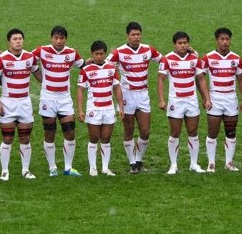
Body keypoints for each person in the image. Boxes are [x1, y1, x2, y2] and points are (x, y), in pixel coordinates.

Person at [107, 21, 161, 174]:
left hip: (143, 94)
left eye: (138, 34)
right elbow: (104, 64)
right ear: (128, 36)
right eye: (133, 35)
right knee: (129, 129)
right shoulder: (119, 52)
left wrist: (190, 53)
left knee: (145, 131)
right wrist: (110, 66)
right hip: (127, 95)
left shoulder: (148, 50)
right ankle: (132, 163)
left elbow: (165, 60)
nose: (136, 37)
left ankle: (138, 159)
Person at [33, 26, 84, 177]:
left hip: (64, 99)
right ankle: (52, 167)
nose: (59, 41)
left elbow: (86, 66)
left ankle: (68, 168)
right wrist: (3, 55)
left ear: (65, 39)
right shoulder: (42, 50)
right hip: (47, 98)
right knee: (49, 133)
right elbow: (24, 59)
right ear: (51, 38)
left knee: (70, 132)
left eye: (61, 38)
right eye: (56, 38)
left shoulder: (72, 53)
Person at [157, 31, 211, 175]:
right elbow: (161, 79)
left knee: (193, 131)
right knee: (175, 132)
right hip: (175, 101)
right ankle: (173, 165)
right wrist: (161, 99)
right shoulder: (167, 59)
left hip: (191, 100)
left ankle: (194, 163)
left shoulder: (194, 58)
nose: (183, 45)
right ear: (174, 44)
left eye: (185, 43)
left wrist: (206, 98)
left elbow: (201, 79)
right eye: (180, 43)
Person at [0, 28, 41, 181]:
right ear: (9, 42)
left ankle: (25, 170)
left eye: (20, 38)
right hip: (7, 102)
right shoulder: (1, 59)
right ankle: (4, 171)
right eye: (15, 39)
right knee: (7, 138)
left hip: (25, 102)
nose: (18, 41)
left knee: (25, 137)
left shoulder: (30, 57)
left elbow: (39, 75)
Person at [77, 41, 123, 176]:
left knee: (106, 138)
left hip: (108, 108)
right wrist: (80, 110)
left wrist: (121, 106)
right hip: (93, 109)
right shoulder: (86, 70)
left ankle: (105, 168)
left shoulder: (111, 69)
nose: (99, 56)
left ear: (104, 53)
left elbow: (117, 87)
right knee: (94, 137)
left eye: (101, 54)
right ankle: (93, 168)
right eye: (96, 54)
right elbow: (80, 90)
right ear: (92, 54)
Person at [202, 27, 242, 172]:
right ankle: (211, 163)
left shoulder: (236, 58)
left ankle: (229, 162)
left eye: (227, 39)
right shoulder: (208, 58)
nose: (225, 42)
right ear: (217, 40)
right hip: (215, 98)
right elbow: (200, 78)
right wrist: (206, 98)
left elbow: (241, 80)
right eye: (222, 39)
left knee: (231, 131)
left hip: (231, 98)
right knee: (212, 131)